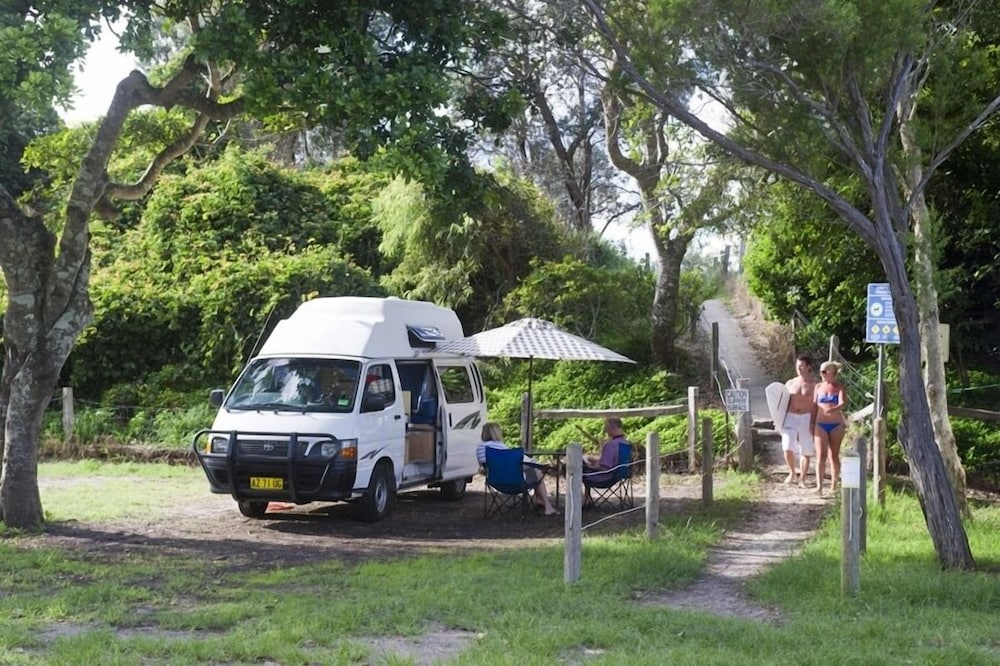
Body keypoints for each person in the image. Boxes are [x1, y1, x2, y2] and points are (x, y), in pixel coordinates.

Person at [477, 422, 558, 516]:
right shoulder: (500, 448)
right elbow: (525, 462)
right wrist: (537, 464)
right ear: (496, 433)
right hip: (515, 482)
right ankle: (548, 506)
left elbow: (484, 467)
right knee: (537, 472)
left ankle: (539, 500)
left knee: (532, 472)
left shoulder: (480, 448)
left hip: (495, 481)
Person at [781, 355, 817, 488]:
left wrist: (813, 422)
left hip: (806, 417)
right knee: (787, 446)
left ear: (808, 367)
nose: (799, 369)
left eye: (802, 366)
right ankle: (792, 472)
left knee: (805, 448)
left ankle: (802, 478)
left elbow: (816, 405)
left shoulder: (814, 385)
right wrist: (779, 419)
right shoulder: (790, 383)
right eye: (797, 366)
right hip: (791, 416)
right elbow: (781, 401)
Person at [813, 360, 847, 495]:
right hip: (820, 423)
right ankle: (819, 486)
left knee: (834, 455)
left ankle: (833, 485)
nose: (821, 374)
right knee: (821, 455)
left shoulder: (839, 387)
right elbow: (814, 407)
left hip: (836, 424)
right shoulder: (818, 387)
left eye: (824, 371)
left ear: (832, 372)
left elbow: (843, 402)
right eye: (821, 371)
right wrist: (812, 423)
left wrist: (834, 409)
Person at [582, 417, 629, 508]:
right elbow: (614, 462)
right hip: (618, 476)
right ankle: (588, 499)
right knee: (585, 468)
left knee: (580, 471)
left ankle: (583, 501)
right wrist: (595, 461)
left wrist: (588, 466)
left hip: (605, 478)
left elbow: (604, 467)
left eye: (607, 429)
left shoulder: (611, 445)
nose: (606, 432)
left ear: (612, 428)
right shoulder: (626, 443)